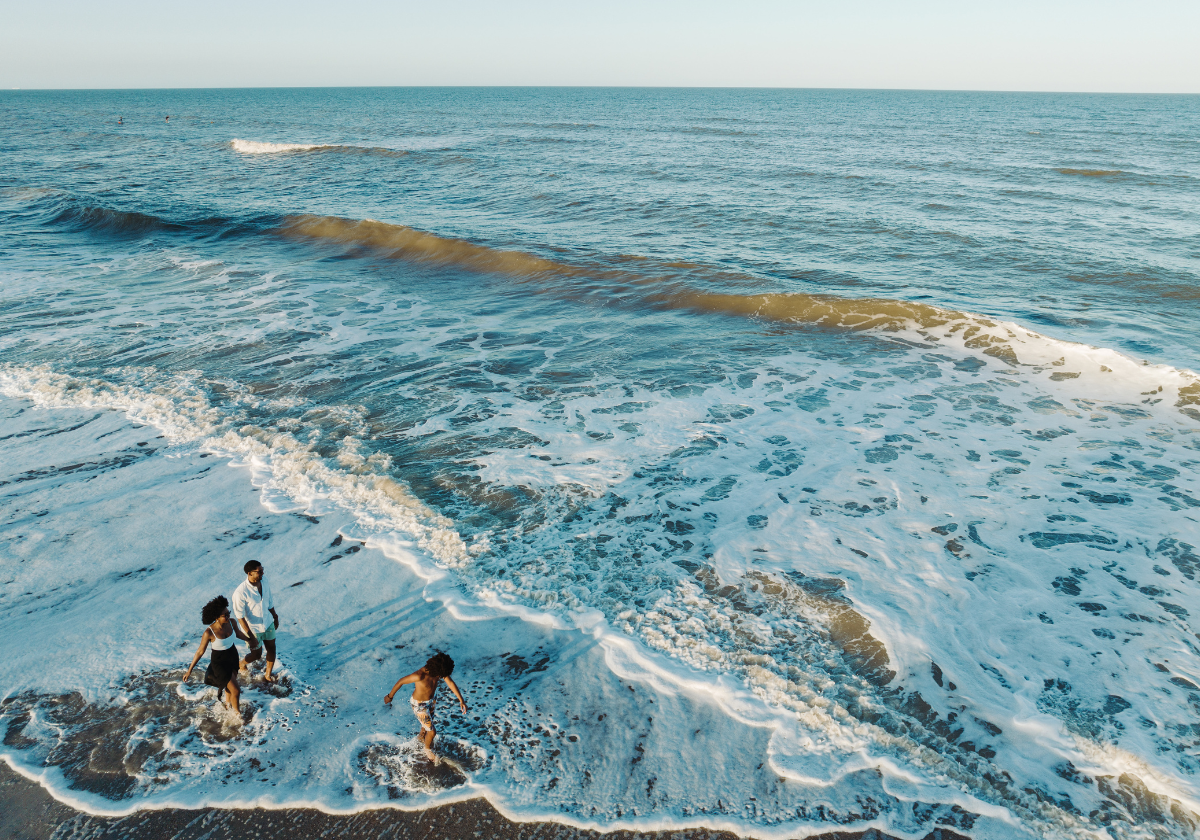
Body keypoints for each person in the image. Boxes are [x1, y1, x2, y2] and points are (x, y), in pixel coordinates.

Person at [384, 652, 468, 762]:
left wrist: (461, 700)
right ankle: (427, 749)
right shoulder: (419, 675)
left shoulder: (439, 671)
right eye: (441, 675)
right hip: (419, 705)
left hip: (431, 701)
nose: (442, 677)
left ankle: (420, 737)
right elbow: (401, 681)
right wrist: (390, 696)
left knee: (427, 725)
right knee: (432, 732)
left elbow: (450, 683)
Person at [184, 595, 249, 715]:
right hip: (219, 663)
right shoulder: (209, 632)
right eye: (225, 615)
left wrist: (251, 640)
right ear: (216, 617)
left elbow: (238, 633)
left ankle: (227, 705)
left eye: (228, 613)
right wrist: (189, 671)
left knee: (229, 687)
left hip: (233, 657)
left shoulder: (232, 622)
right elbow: (200, 651)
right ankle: (237, 715)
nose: (228, 616)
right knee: (236, 690)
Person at [231, 560, 280, 682]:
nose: (263, 573)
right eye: (259, 571)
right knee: (256, 655)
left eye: (262, 570)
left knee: (272, 648)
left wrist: (275, 616)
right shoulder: (240, 592)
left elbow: (269, 600)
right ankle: (241, 663)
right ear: (250, 573)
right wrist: (251, 637)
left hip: (268, 622)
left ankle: (268, 675)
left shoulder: (264, 581)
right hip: (253, 629)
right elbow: (240, 617)